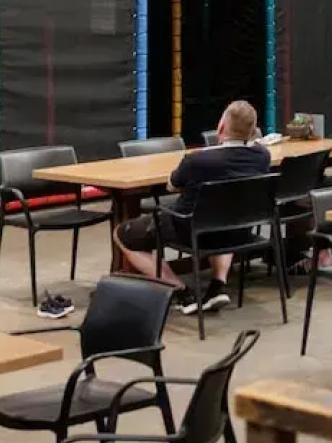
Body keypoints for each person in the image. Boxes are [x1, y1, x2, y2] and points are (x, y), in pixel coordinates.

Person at [115, 100, 270, 314]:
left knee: (123, 234)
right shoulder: (262, 157)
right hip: (239, 232)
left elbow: (172, 185)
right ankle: (217, 284)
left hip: (191, 232)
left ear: (221, 127)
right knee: (224, 214)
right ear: (253, 131)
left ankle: (181, 290)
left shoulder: (197, 160)